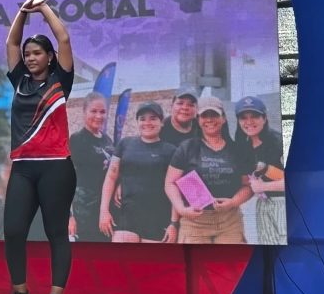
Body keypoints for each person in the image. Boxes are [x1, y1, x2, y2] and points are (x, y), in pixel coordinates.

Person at [0, 0, 75, 294]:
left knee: (56, 232)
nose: (30, 58)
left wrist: (43, 9)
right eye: (28, 54)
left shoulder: (61, 81)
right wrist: (22, 12)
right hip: (23, 168)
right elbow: (11, 42)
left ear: (49, 57)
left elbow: (64, 38)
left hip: (56, 167)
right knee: (13, 230)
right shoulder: (19, 81)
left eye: (37, 53)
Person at [164, 96, 253, 244]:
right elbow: (170, 182)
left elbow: (248, 186)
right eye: (205, 115)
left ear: (224, 118)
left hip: (229, 221)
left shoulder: (238, 150)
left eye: (214, 115)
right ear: (198, 120)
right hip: (194, 221)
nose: (209, 120)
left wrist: (233, 202)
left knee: (231, 259)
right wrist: (181, 209)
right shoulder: (187, 148)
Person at [99, 102, 178, 243]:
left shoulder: (171, 151)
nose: (147, 123)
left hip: (158, 219)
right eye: (142, 119)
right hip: (126, 218)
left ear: (161, 122)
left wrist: (174, 223)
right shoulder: (124, 144)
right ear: (137, 122)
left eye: (153, 118)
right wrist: (104, 211)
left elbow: (176, 188)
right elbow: (111, 177)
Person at [233, 96, 285, 244]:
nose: (249, 122)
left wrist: (264, 186)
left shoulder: (278, 142)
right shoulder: (244, 146)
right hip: (263, 204)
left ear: (265, 118)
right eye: (243, 117)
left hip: (283, 204)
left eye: (255, 116)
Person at [69, 92, 113, 242]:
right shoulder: (76, 140)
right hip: (84, 213)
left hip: (105, 212)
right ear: (84, 112)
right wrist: (69, 216)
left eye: (102, 112)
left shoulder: (107, 140)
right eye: (93, 111)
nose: (98, 116)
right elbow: (64, 178)